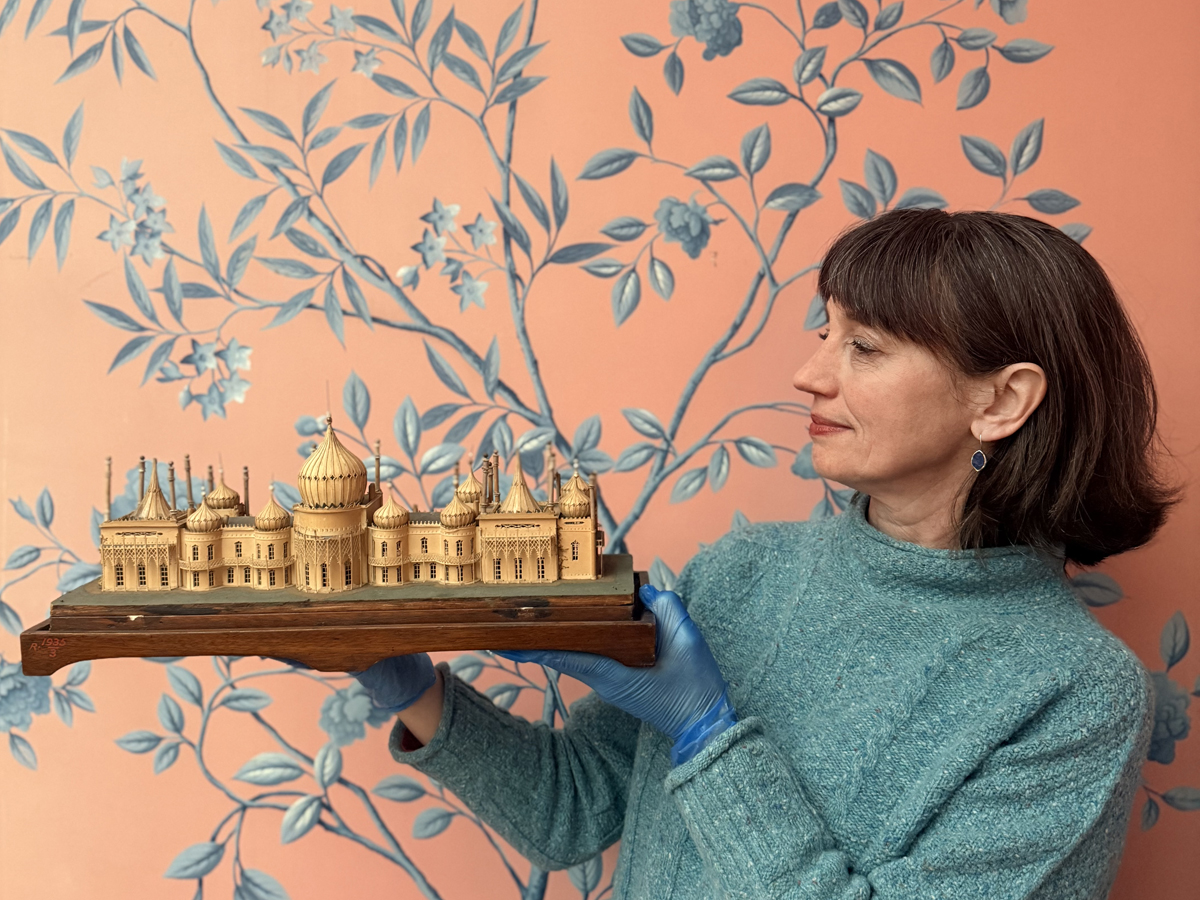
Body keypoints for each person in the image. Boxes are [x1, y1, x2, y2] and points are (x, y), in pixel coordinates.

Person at [354, 209, 1176, 899]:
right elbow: (569, 811)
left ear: (1001, 400)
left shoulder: (1074, 693)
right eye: (827, 332)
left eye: (866, 346)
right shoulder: (743, 573)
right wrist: (405, 682)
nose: (807, 373)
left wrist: (708, 736)